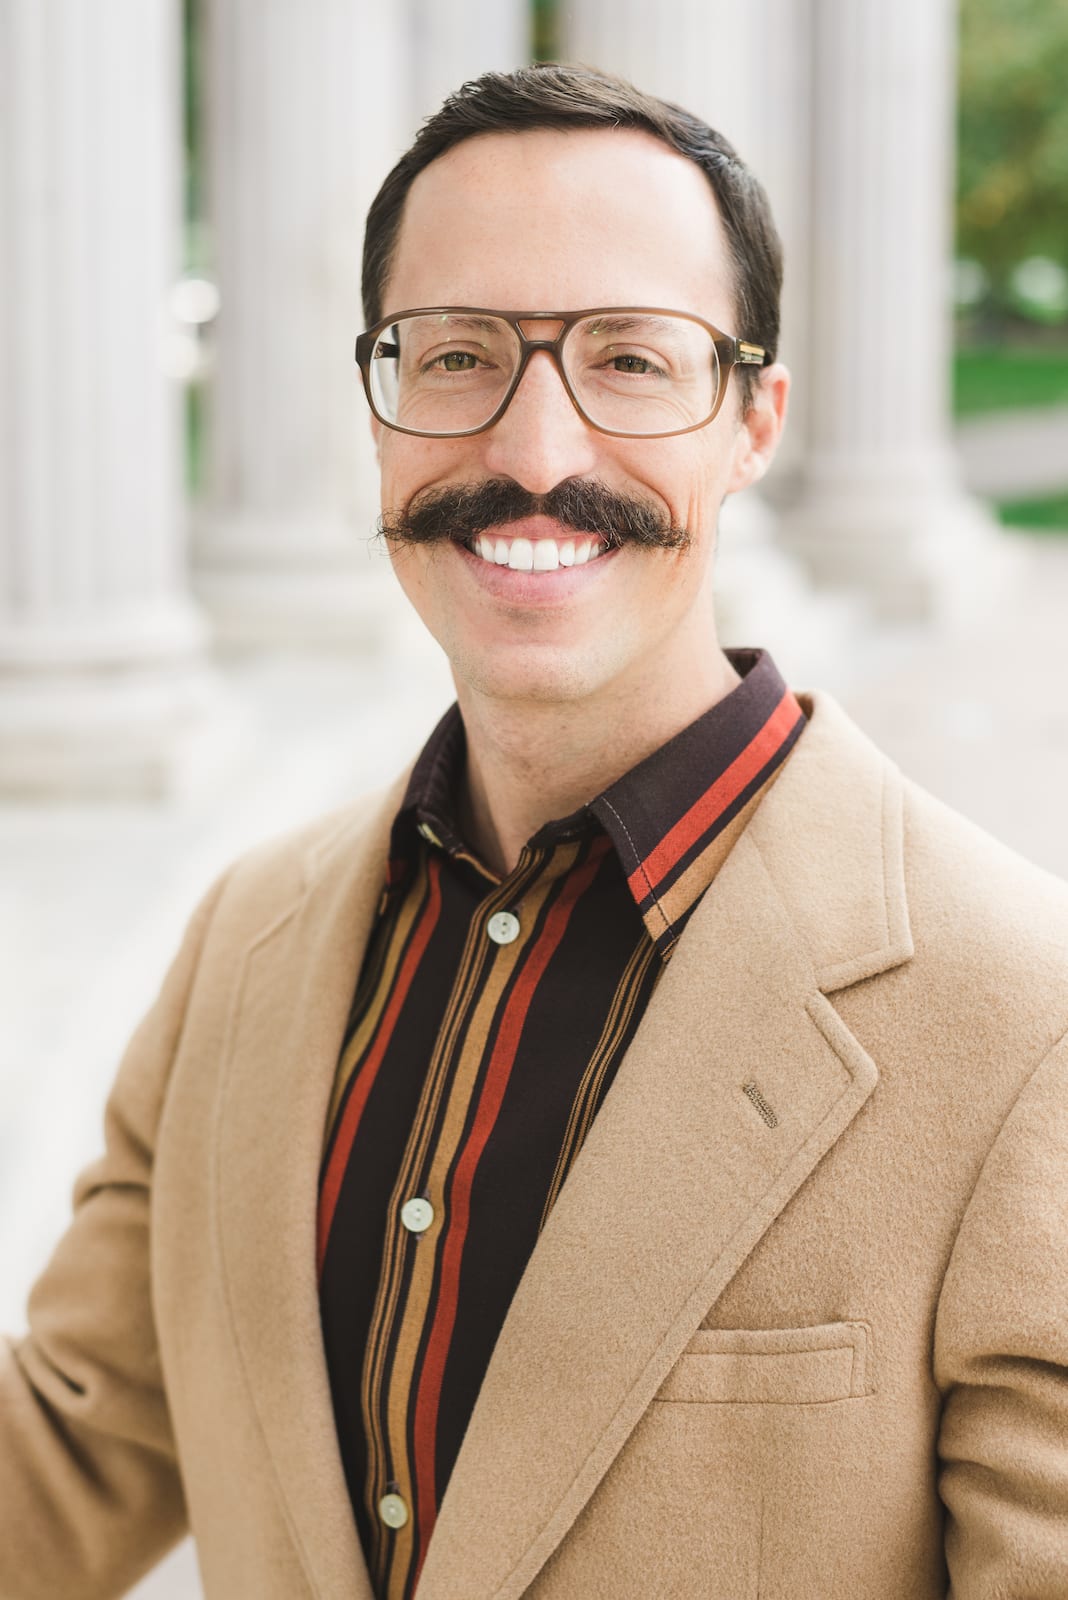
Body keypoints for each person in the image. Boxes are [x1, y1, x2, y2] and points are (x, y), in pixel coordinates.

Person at [3, 62, 1068, 1600]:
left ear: (754, 420)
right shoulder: (245, 938)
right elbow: (73, 1443)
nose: (535, 449)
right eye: (457, 355)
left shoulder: (1024, 1016)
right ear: (377, 405)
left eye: (631, 360)